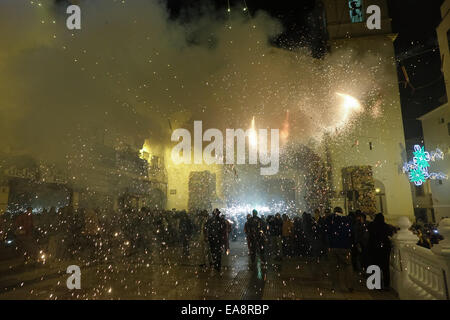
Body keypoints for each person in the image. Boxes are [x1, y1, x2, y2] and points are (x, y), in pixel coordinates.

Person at [325, 206, 354, 292]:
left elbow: (326, 232)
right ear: (342, 211)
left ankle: (334, 285)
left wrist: (328, 244)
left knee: (333, 267)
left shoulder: (330, 219)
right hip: (345, 247)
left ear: (334, 212)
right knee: (348, 266)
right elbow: (351, 233)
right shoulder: (348, 220)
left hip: (333, 247)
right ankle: (349, 285)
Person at [368, 213, 395, 289]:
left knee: (376, 266)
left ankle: (377, 285)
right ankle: (386, 285)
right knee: (385, 267)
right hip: (385, 248)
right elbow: (390, 234)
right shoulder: (386, 226)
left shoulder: (372, 225)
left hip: (375, 248)